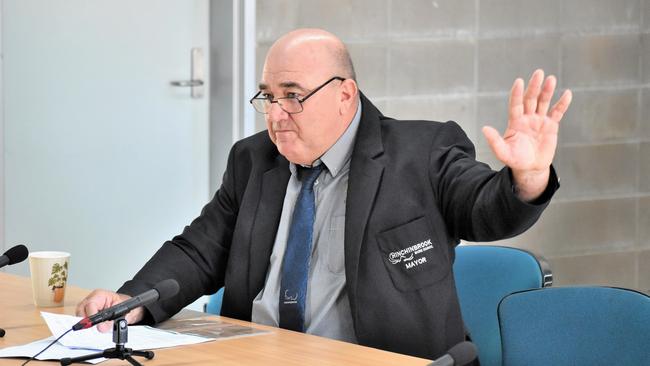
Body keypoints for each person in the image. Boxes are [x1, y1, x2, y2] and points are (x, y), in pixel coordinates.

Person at [76, 28, 572, 360]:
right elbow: (199, 249)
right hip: (257, 355)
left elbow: (485, 210)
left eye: (293, 95)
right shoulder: (252, 161)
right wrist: (130, 299)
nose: (275, 114)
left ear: (345, 95)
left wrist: (527, 177)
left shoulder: (419, 152)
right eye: (269, 96)